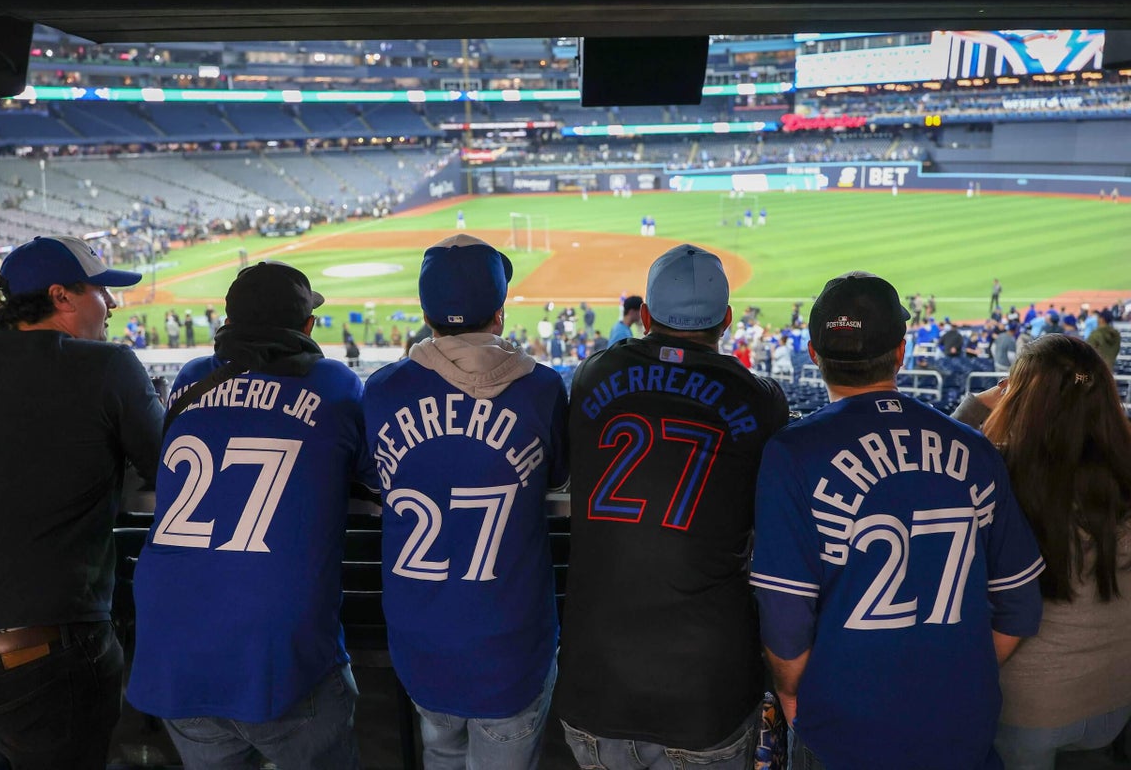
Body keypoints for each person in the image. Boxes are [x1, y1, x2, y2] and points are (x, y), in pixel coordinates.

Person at [751, 271, 1044, 770]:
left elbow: (785, 615)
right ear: (902, 353)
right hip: (961, 725)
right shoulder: (974, 449)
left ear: (814, 354)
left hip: (844, 729)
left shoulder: (792, 453)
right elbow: (1020, 604)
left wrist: (793, 692)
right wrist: (958, 676)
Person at [0, 235, 163, 769]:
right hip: (39, 659)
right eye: (101, 291)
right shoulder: (109, 365)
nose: (112, 304)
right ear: (61, 296)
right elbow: (172, 467)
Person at [128, 261, 373, 769]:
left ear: (227, 322)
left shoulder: (192, 378)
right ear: (307, 327)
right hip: (278, 653)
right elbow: (376, 477)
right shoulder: (335, 383)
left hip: (171, 646)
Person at [556, 244, 789, 768]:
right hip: (704, 691)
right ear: (726, 320)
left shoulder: (592, 375)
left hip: (596, 684)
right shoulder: (760, 399)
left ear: (645, 316)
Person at [362, 234, 568, 770]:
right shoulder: (542, 389)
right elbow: (557, 475)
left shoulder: (382, 391)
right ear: (499, 314)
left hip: (420, 643)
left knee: (440, 752)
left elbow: (373, 476)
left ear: (426, 315)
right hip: (510, 649)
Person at [952, 334, 1131, 769]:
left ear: (1021, 397)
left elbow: (931, 459)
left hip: (1025, 707)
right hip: (1115, 698)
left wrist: (980, 403)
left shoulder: (997, 468)